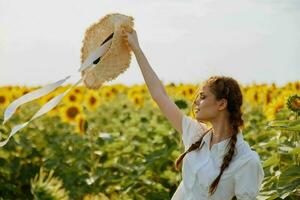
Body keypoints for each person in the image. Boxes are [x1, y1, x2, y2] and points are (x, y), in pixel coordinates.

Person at [121, 29, 265, 200]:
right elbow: (159, 95)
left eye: (203, 97)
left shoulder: (246, 161)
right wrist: (136, 49)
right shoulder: (196, 135)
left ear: (221, 104)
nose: (196, 101)